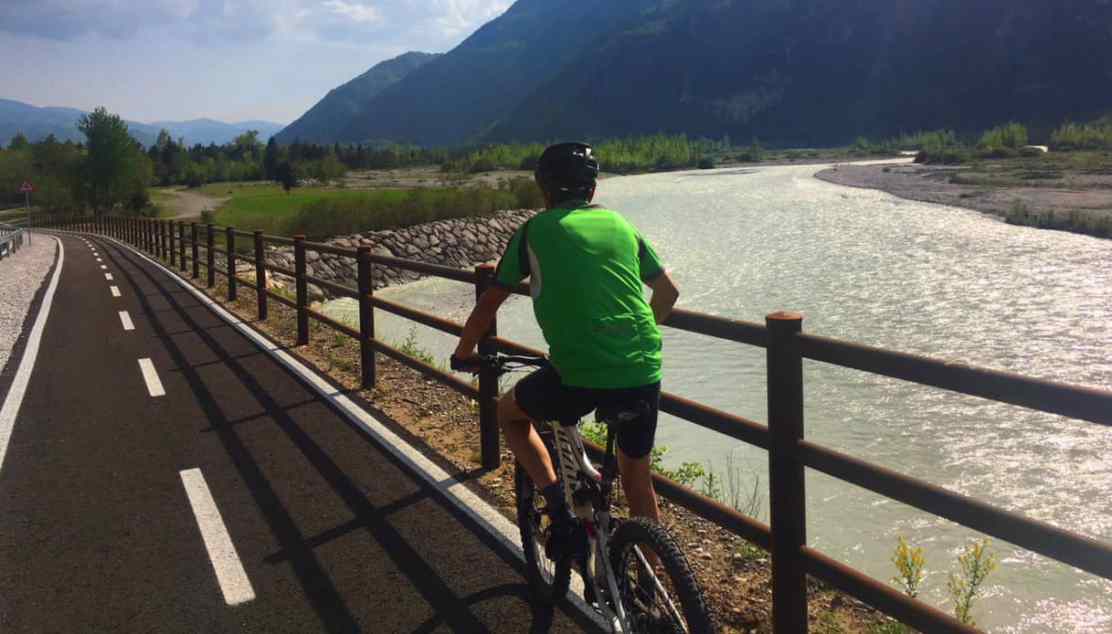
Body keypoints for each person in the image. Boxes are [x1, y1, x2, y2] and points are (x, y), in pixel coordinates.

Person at [451, 142, 680, 561]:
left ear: (544, 189)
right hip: (641, 366)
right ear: (592, 190)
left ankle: (557, 505)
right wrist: (633, 335)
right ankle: (653, 587)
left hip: (577, 371)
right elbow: (668, 292)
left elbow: (490, 302)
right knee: (637, 480)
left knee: (509, 413)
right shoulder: (621, 225)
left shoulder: (535, 231)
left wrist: (464, 350)